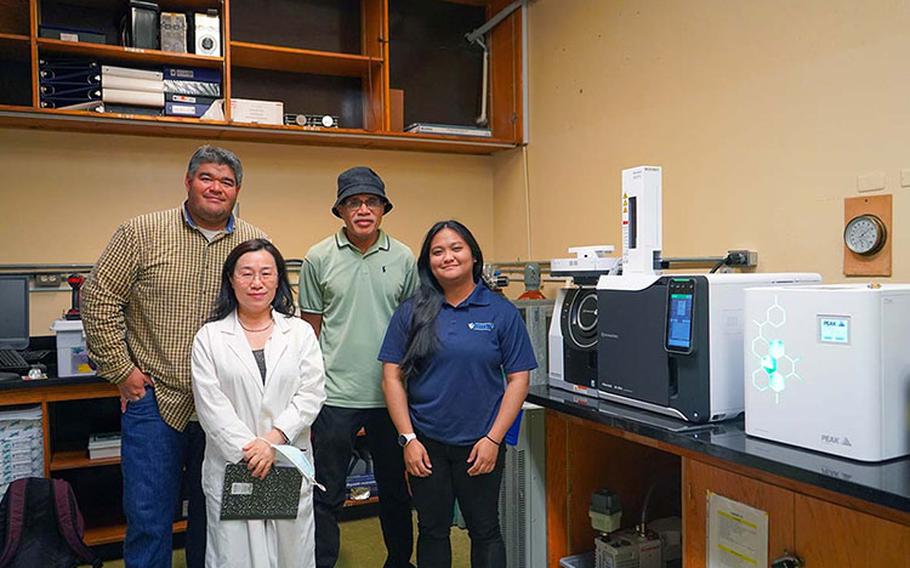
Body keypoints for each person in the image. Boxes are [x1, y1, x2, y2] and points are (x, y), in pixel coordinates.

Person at [81, 145, 266, 568]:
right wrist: (122, 372)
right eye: (207, 178)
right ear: (188, 182)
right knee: (149, 518)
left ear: (238, 190)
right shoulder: (140, 232)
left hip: (226, 406)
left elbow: (265, 314)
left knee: (218, 517)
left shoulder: (254, 242)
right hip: (155, 401)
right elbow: (98, 300)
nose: (216, 188)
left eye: (227, 182)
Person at [379, 220, 537, 568]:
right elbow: (391, 376)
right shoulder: (412, 312)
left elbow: (518, 379)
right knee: (432, 530)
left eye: (456, 248)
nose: (447, 257)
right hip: (426, 444)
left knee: (485, 530)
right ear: (428, 262)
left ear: (473, 256)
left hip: (480, 444)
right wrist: (408, 439)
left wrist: (494, 440)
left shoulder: (500, 312)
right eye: (437, 251)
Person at [298, 166, 418, 568]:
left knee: (395, 491)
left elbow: (414, 328)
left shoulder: (403, 258)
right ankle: (322, 562)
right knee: (327, 491)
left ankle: (399, 561)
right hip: (334, 395)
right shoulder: (318, 257)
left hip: (391, 395)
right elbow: (309, 332)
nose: (363, 209)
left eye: (371, 201)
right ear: (341, 210)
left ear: (383, 208)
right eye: (353, 202)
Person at [191, 238, 326, 568]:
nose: (256, 282)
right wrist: (253, 451)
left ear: (278, 279)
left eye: (266, 273)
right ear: (231, 279)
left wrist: (272, 442)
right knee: (238, 556)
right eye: (246, 273)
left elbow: (311, 394)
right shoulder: (209, 337)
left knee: (289, 556)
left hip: (285, 460)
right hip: (237, 464)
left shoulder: (298, 333)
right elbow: (211, 406)